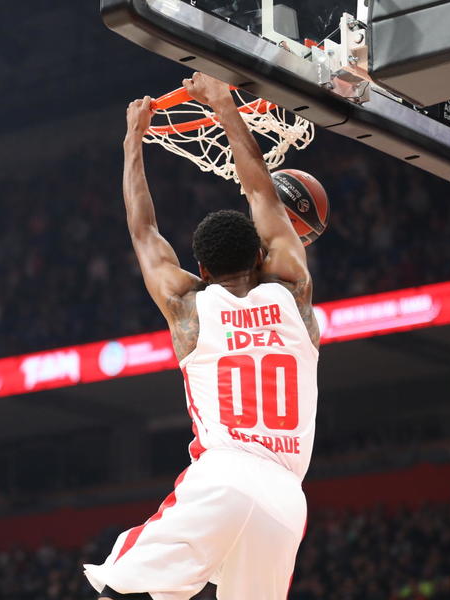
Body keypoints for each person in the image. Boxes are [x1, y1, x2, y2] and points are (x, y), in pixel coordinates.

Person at [84, 73, 320, 600]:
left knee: (121, 587)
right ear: (261, 254)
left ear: (202, 270)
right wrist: (222, 104)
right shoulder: (293, 289)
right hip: (287, 497)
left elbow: (143, 231)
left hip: (224, 473)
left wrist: (132, 139)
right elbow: (260, 191)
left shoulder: (187, 306)